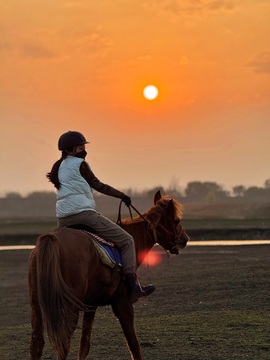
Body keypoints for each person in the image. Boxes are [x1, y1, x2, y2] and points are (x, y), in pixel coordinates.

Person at [47, 130, 155, 304]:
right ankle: (133, 286)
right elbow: (99, 185)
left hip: (63, 219)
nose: (83, 147)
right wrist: (122, 196)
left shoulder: (58, 167)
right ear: (69, 149)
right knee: (127, 240)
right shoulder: (80, 164)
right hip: (84, 215)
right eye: (80, 145)